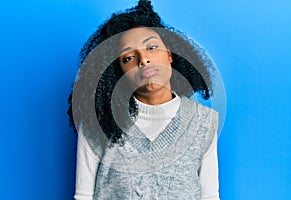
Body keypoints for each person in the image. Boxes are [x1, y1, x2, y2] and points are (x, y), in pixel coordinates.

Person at [68, 0, 220, 199]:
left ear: (170, 55)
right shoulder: (99, 122)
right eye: (128, 58)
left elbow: (210, 196)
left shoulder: (204, 121)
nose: (144, 60)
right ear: (118, 73)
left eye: (152, 47)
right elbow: (83, 196)